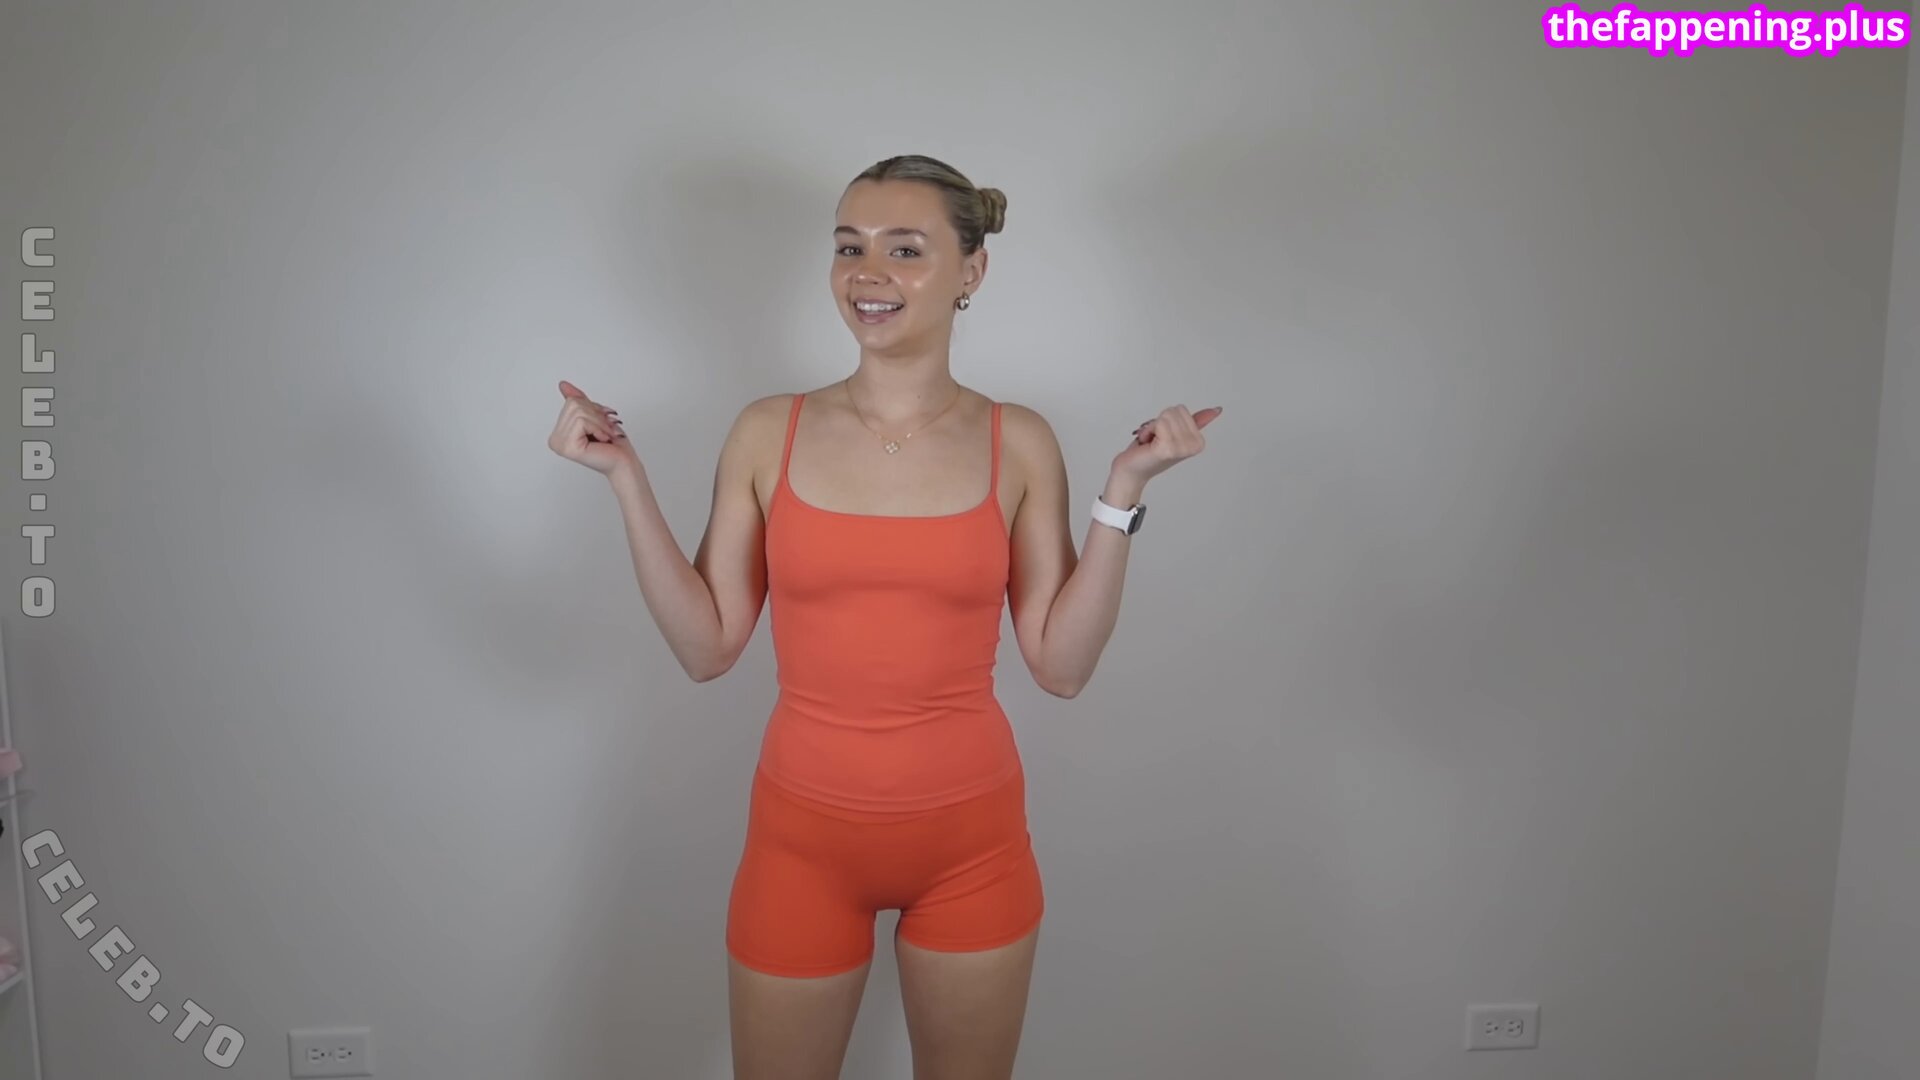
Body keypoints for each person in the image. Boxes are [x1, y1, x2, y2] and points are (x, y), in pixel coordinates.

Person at [548, 154, 1222, 1080]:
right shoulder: (767, 431)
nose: (869, 273)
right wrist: (624, 478)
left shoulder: (1019, 441)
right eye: (849, 247)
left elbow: (1061, 667)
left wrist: (1124, 492)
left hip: (973, 850)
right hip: (799, 849)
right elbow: (707, 647)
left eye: (906, 249)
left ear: (971, 270)